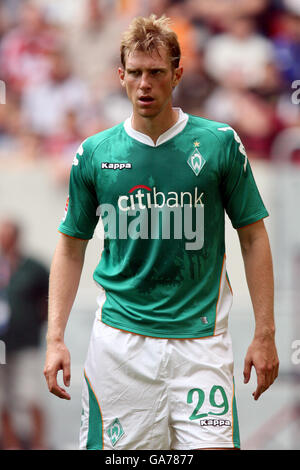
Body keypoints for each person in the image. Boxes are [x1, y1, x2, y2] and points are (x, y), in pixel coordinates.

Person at [44, 15, 279, 450]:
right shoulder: (94, 153)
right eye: (134, 72)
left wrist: (264, 333)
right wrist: (55, 336)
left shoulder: (219, 144)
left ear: (177, 74)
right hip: (120, 347)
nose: (145, 84)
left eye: (155, 72)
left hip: (201, 343)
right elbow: (70, 245)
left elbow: (253, 236)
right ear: (120, 76)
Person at [0, 219, 49, 450]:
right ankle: (11, 444)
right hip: (1, 344)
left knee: (28, 396)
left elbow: (50, 298)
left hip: (26, 341)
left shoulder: (33, 267)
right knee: (3, 399)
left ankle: (39, 443)